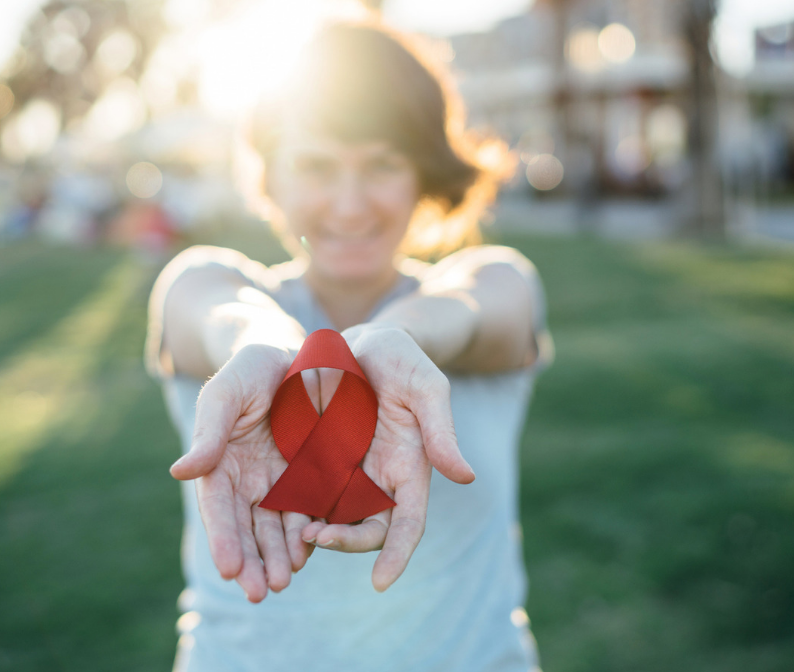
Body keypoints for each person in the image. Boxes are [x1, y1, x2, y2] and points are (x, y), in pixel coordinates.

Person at [146, 20, 552, 672]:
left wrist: (397, 341)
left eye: (383, 164)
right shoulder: (203, 283)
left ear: (423, 173)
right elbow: (218, 313)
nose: (349, 202)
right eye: (316, 165)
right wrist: (273, 353)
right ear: (269, 176)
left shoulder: (493, 284)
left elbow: (476, 307)